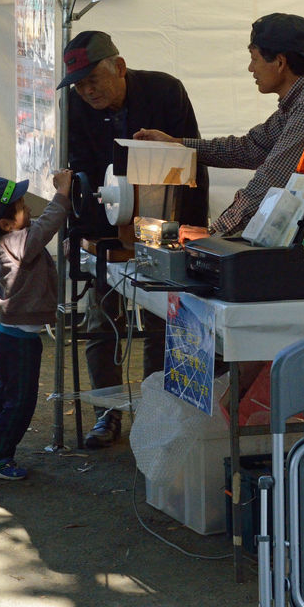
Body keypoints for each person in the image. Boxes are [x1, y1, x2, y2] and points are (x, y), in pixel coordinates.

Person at [60, 30, 208, 448]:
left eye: (93, 80)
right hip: (105, 226)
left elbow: (192, 162)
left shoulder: (165, 92)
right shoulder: (74, 106)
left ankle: (154, 411)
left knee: (162, 317)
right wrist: (83, 232)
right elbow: (79, 171)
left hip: (166, 220)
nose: (87, 91)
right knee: (101, 318)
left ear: (120, 67)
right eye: (79, 85)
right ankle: (105, 414)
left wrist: (189, 233)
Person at [135, 13, 304, 236]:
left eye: (254, 58)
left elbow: (274, 176)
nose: (250, 68)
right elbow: (250, 148)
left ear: (280, 62)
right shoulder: (300, 101)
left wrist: (215, 233)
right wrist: (177, 145)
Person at [0, 169, 72, 480]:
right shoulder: (17, 241)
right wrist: (62, 195)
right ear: (6, 224)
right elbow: (46, 226)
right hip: (20, 340)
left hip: (9, 335)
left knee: (6, 388)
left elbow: (38, 234)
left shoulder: (10, 238)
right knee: (21, 401)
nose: (29, 208)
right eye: (22, 206)